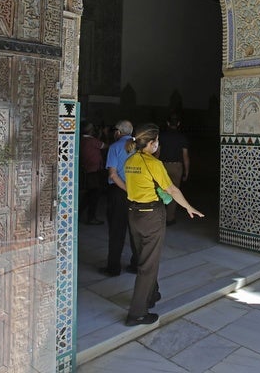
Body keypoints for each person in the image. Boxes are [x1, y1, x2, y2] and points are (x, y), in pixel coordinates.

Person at [124, 123, 204, 326]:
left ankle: (151, 295)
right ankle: (137, 313)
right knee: (148, 266)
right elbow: (172, 190)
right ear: (151, 143)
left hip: (134, 213)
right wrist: (188, 207)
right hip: (151, 215)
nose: (158, 144)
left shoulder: (130, 160)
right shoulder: (153, 163)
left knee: (144, 256)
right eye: (157, 141)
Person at [100, 120, 137, 277]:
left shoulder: (115, 147)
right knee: (136, 230)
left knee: (117, 230)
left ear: (118, 132)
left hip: (119, 192)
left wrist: (126, 189)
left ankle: (113, 267)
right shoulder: (139, 146)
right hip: (137, 193)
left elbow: (113, 174)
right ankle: (136, 265)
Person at [157, 114, 190, 225]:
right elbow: (185, 156)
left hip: (163, 166)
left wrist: (154, 168)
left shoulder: (162, 136)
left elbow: (157, 153)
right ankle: (170, 218)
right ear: (178, 124)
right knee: (174, 192)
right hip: (177, 167)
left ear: (167, 123)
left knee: (161, 191)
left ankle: (159, 217)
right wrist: (186, 171)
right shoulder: (182, 137)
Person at [79, 122, 106, 225]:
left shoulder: (81, 140)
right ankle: (91, 218)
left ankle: (80, 214)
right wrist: (103, 134)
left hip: (87, 170)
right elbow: (105, 145)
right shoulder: (92, 141)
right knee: (94, 195)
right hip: (94, 171)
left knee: (89, 195)